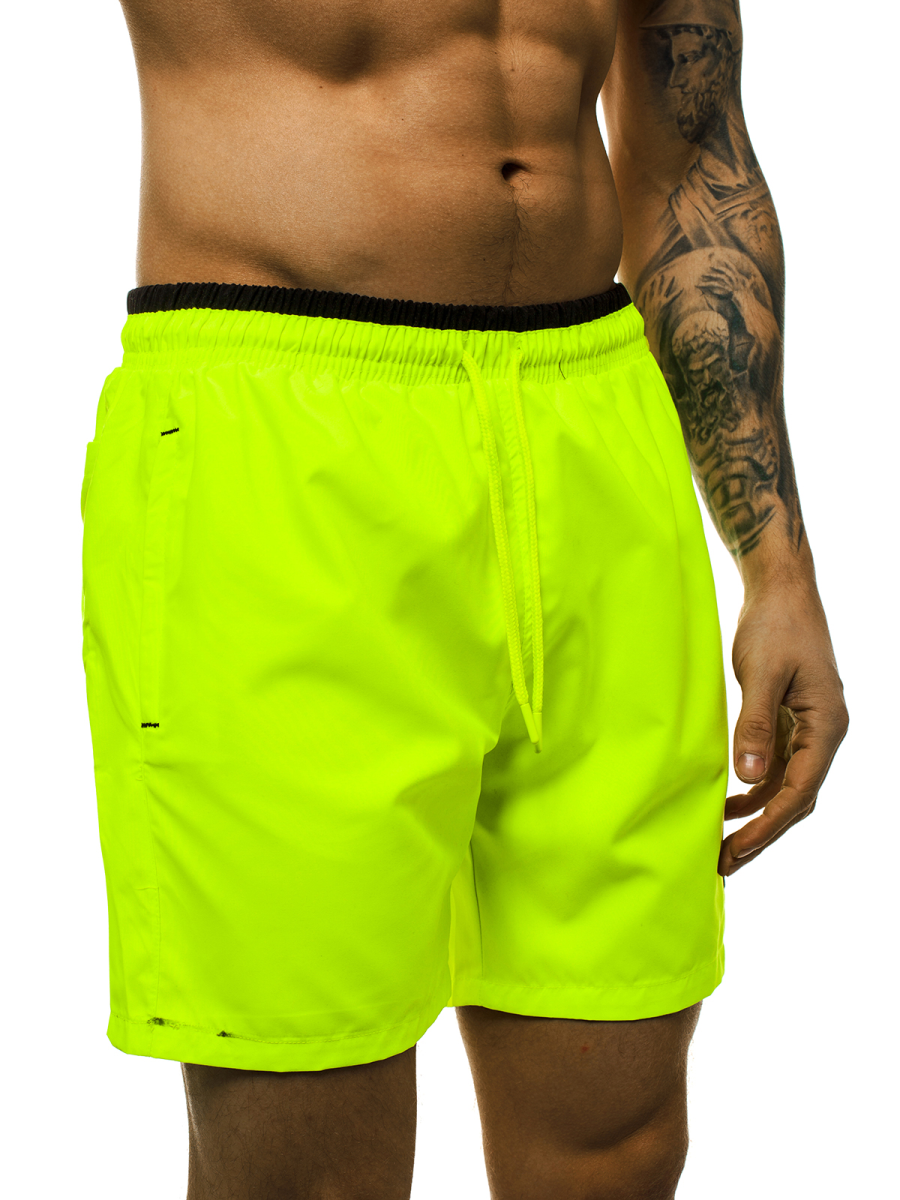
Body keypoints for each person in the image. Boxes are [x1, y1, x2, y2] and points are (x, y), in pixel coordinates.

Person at [78, 0, 848, 1196]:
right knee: (306, 1155)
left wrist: (779, 567)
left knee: (620, 1139)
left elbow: (693, 153)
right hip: (285, 433)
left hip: (597, 425)